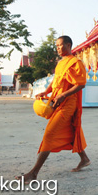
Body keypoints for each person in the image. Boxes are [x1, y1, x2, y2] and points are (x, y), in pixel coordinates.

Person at [17, 36, 90, 182]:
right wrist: (46, 91)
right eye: (56, 46)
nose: (58, 48)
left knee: (50, 134)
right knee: (70, 130)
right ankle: (84, 158)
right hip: (57, 100)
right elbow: (56, 81)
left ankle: (33, 173)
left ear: (68, 45)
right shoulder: (61, 63)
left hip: (68, 103)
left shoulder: (76, 62)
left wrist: (64, 95)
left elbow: (81, 84)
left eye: (60, 45)